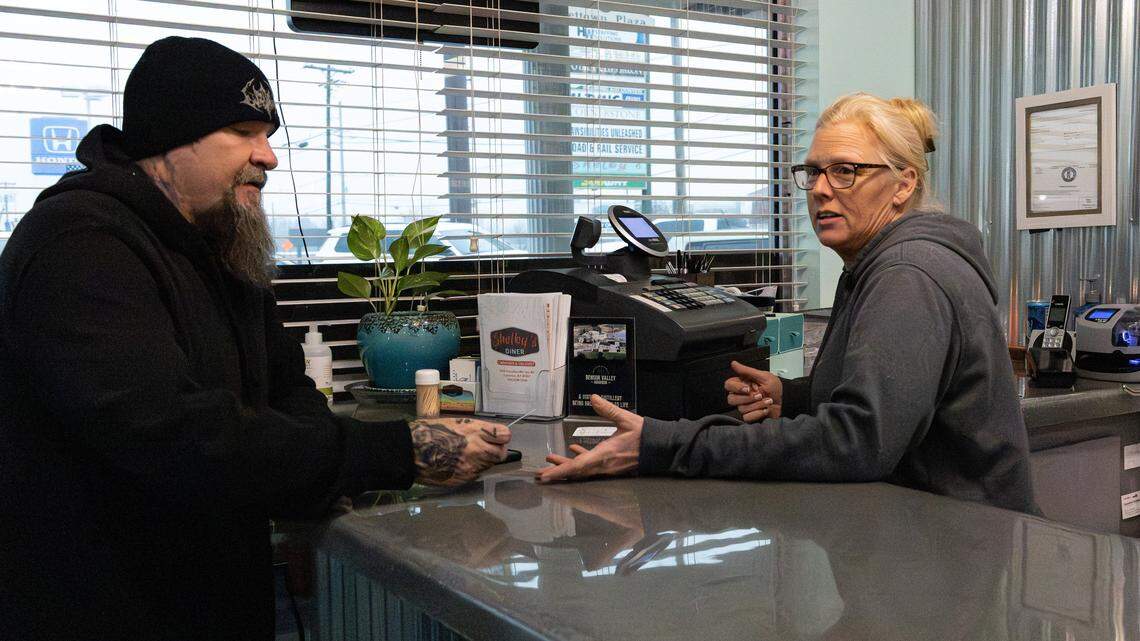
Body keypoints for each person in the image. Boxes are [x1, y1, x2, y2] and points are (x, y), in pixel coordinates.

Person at [0, 37, 510, 640]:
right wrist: (396, 452)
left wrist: (324, 464)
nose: (268, 157)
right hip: (101, 606)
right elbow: (173, 435)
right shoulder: (80, 245)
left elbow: (287, 391)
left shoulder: (220, 243)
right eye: (244, 132)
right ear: (170, 140)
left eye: (268, 134)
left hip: (211, 595)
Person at [537, 92, 1035, 515]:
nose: (820, 190)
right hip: (941, 536)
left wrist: (663, 444)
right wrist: (791, 398)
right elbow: (895, 404)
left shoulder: (907, 274)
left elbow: (858, 443)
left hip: (963, 549)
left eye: (846, 172)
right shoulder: (885, 260)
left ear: (904, 184)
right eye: (814, 172)